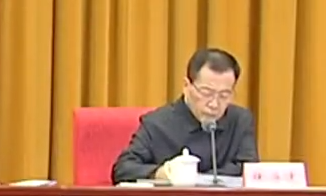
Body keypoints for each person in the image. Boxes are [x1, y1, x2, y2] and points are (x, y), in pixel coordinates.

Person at [111, 48, 259, 183]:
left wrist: (199, 179)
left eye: (224, 95)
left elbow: (248, 168)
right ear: (187, 86)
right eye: (206, 93)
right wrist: (162, 172)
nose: (214, 104)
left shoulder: (240, 120)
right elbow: (123, 169)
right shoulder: (157, 124)